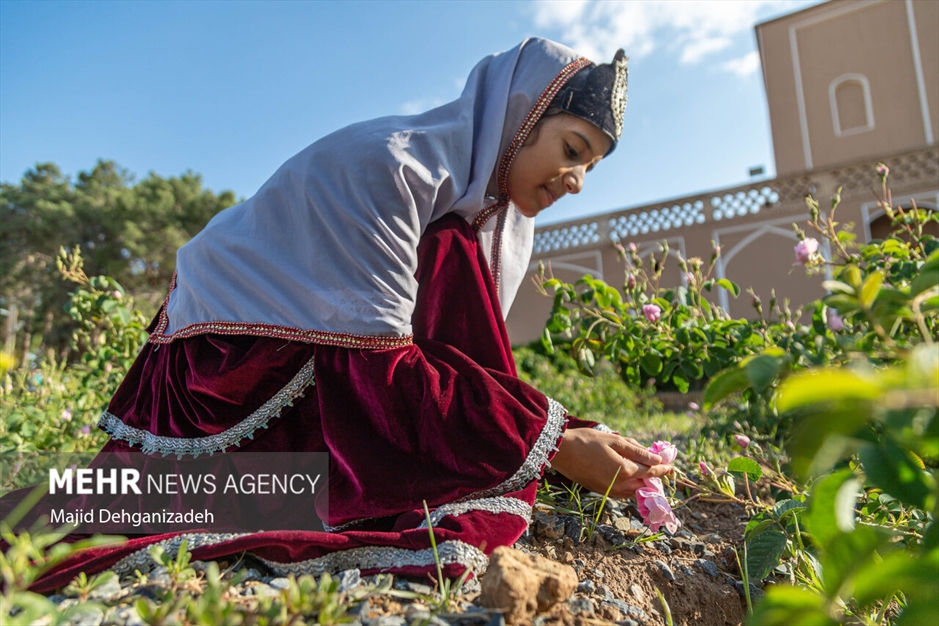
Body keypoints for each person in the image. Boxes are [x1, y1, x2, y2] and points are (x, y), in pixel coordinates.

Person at [12, 38, 673, 591]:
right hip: (225, 378)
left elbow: (455, 363)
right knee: (231, 499)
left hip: (332, 365)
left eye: (589, 165)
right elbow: (385, 378)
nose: (576, 179)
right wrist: (551, 443)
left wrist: (566, 434)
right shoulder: (391, 168)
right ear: (522, 117)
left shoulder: (472, 220)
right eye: (572, 147)